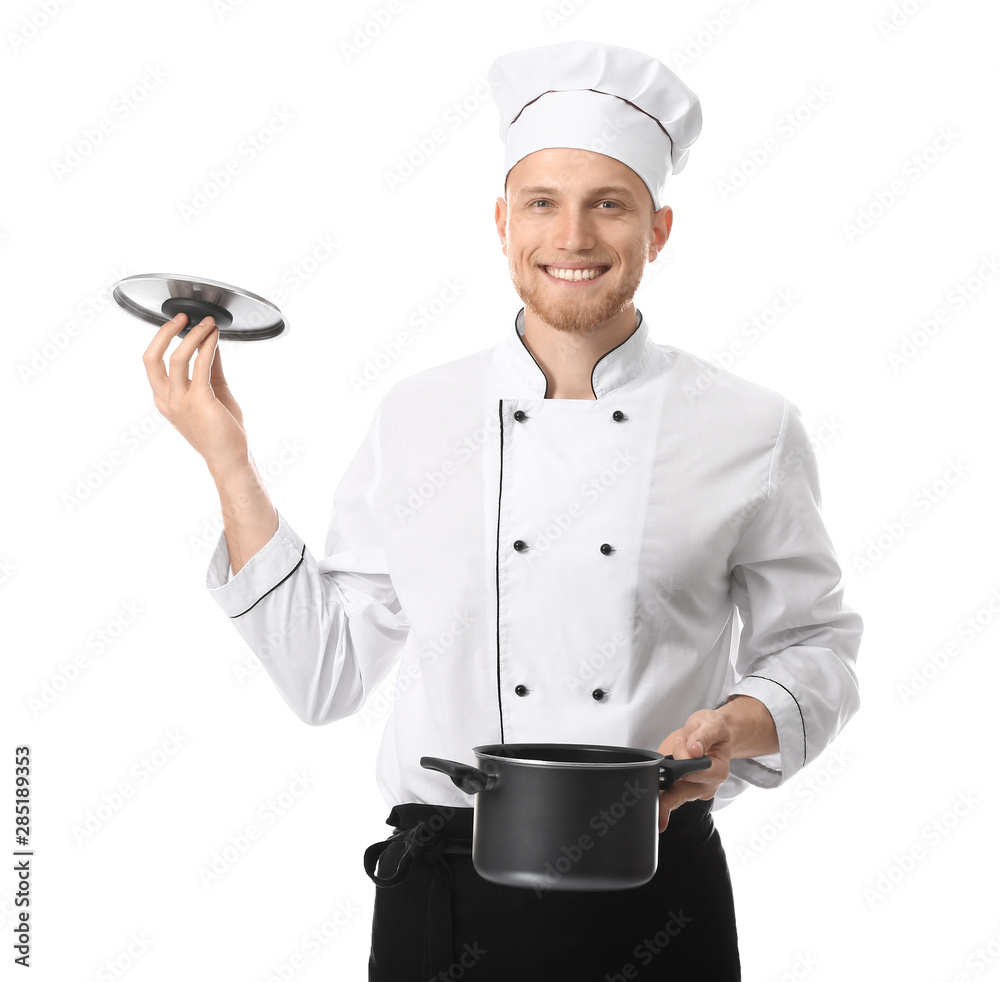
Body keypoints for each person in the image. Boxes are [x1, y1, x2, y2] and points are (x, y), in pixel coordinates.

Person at [142, 39, 862, 981]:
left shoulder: (749, 428)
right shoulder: (419, 414)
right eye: (542, 204)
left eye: (610, 203)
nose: (573, 238)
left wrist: (737, 721)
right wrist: (229, 463)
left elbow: (816, 651)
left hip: (654, 885)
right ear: (501, 221)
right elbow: (327, 673)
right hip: (445, 888)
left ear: (660, 229)